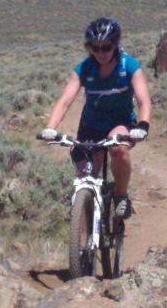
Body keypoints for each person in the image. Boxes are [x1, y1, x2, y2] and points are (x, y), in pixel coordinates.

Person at [39, 17, 152, 219]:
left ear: (115, 45)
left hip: (121, 122)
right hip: (91, 125)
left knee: (117, 149)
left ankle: (121, 196)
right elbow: (65, 100)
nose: (100, 53)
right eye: (95, 48)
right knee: (84, 178)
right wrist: (51, 128)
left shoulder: (130, 66)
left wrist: (142, 126)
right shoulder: (84, 68)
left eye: (106, 47)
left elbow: (144, 101)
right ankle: (81, 246)